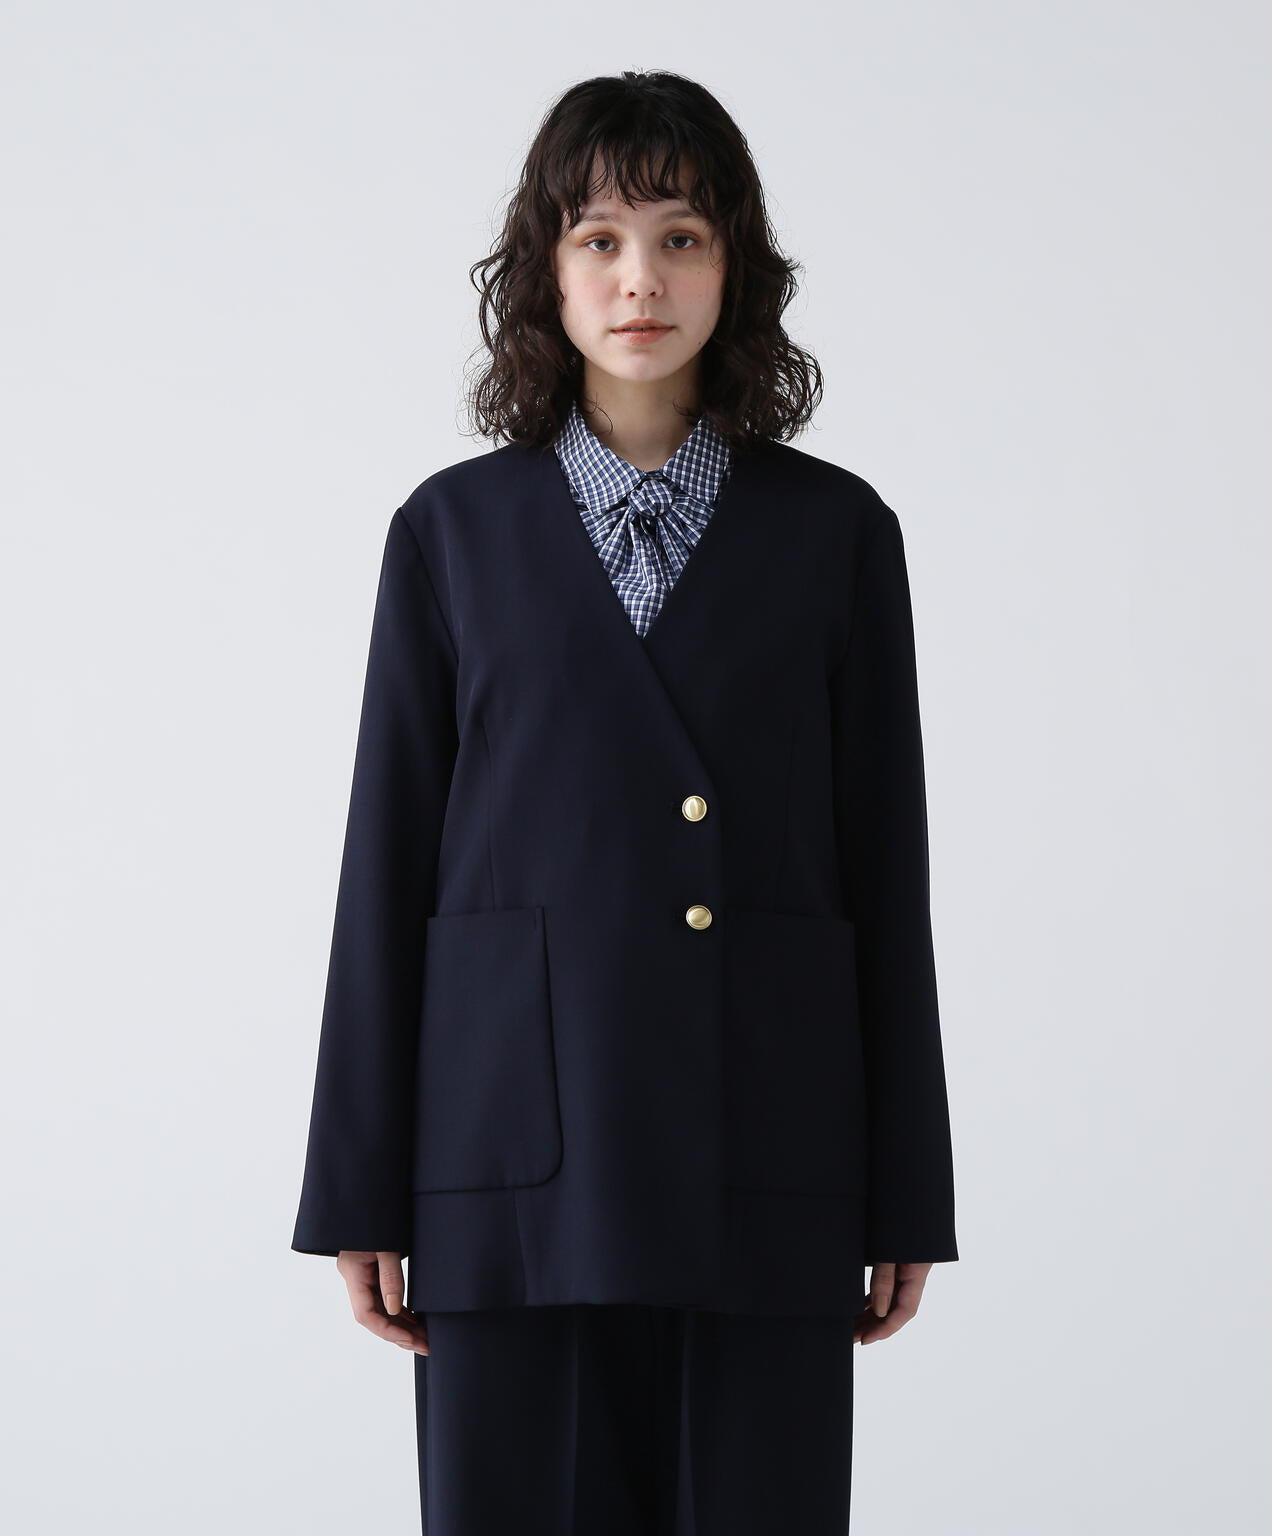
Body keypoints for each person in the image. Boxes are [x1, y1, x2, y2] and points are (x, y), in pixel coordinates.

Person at [291, 68, 958, 1536]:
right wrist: (359, 1185)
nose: (639, 278)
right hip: (508, 1157)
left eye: (681, 237)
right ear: (544, 270)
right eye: (598, 239)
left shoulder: (836, 534)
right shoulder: (451, 533)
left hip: (766, 1142)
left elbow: (883, 871)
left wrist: (906, 1189)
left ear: (737, 267)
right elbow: (384, 864)